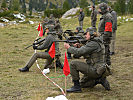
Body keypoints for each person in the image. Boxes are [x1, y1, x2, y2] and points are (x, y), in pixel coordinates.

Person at [64, 27, 110, 93]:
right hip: (99, 69)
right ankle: (98, 80)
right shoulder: (96, 41)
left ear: (91, 34)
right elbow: (87, 50)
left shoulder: (93, 43)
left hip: (95, 69)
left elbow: (79, 52)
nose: (85, 35)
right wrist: (78, 46)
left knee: (73, 64)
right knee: (83, 84)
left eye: (87, 34)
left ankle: (76, 87)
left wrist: (69, 48)